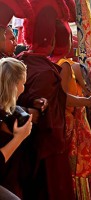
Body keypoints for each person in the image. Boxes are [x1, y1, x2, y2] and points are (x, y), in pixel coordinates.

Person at [16, 1, 75, 199]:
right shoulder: (45, 72)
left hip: (24, 145)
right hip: (47, 148)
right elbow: (45, 115)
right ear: (51, 41)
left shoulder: (21, 62)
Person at [50, 18, 91, 199]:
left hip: (65, 122)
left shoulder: (53, 62)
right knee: (80, 166)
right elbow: (65, 98)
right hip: (72, 123)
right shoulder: (64, 65)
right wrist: (87, 102)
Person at [0, 58, 32, 200]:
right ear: (13, 85)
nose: (23, 89)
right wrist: (20, 137)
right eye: (23, 83)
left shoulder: (8, 112)